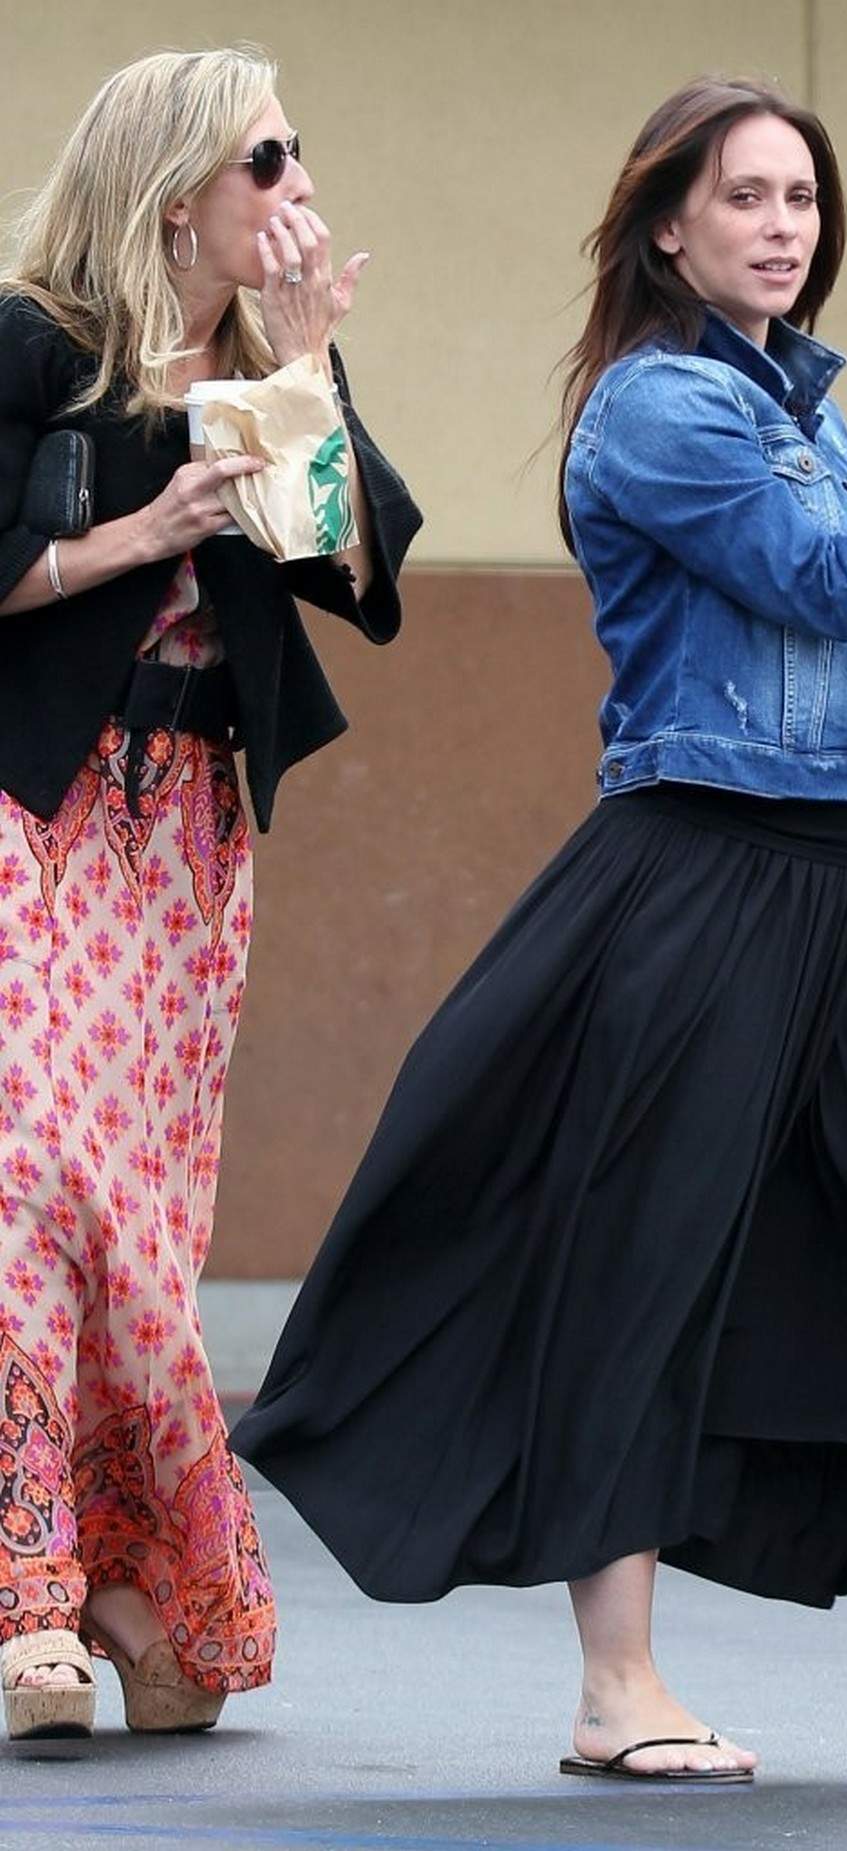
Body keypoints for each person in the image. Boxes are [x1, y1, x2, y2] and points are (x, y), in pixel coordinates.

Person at [233, 76, 847, 1780]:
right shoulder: (657, 410)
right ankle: (616, 1688)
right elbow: (817, 582)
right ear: (668, 225)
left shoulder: (805, 410)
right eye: (752, 198)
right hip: (706, 877)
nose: (787, 227)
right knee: (647, 1266)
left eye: (803, 200)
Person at [0, 47, 420, 1742]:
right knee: (26, 1176)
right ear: (181, 188)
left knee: (144, 1225)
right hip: (33, 801)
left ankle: (131, 1577)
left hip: (189, 834)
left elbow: (360, 567)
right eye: (270, 157)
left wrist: (313, 371)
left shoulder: (271, 364)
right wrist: (139, 527)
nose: (297, 185)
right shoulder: (35, 341)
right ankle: (25, 1596)